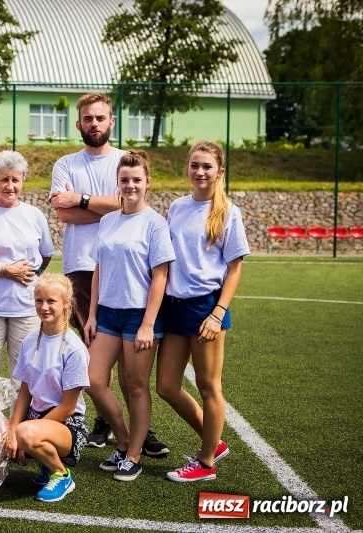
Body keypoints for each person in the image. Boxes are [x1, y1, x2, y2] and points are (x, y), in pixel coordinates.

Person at [50, 92, 169, 457]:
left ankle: (137, 434)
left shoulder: (124, 162)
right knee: (95, 353)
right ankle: (109, 422)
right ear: (79, 123)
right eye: (88, 118)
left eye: (100, 118)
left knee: (130, 367)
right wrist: (102, 205)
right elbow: (63, 213)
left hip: (125, 269)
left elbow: (126, 204)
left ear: (111, 122)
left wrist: (81, 199)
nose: (94, 124)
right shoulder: (66, 164)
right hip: (82, 266)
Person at [156, 141, 250, 482]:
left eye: (207, 166)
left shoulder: (228, 212)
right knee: (166, 386)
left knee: (209, 387)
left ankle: (206, 462)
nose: (200, 172)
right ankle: (214, 441)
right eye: (194, 165)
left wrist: (217, 313)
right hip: (174, 307)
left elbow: (234, 269)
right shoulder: (177, 207)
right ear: (187, 168)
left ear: (219, 171)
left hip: (206, 307)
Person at [83, 151, 175, 482]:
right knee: (92, 379)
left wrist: (148, 323)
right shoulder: (108, 220)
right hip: (108, 314)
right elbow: (98, 269)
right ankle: (123, 441)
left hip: (139, 316)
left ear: (147, 182)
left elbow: (160, 276)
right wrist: (92, 315)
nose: (131, 185)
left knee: (135, 386)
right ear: (117, 183)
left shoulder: (155, 223)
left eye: (137, 180)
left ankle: (134, 456)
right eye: (125, 180)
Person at [0, 150, 54, 407]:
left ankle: (20, 429)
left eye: (15, 180)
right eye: (4, 179)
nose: (10, 186)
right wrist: (6, 270)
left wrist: (29, 275)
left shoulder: (34, 215)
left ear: (23, 181)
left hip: (26, 308)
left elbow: (45, 255)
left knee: (26, 375)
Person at [6, 273, 90, 503]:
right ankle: (45, 461)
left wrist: (24, 432)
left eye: (51, 301)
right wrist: (12, 429)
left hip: (67, 424)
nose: (44, 307)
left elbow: (68, 407)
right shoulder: (29, 341)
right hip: (36, 418)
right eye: (39, 300)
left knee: (24, 433)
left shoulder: (74, 348)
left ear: (66, 303)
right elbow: (25, 391)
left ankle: (61, 474)